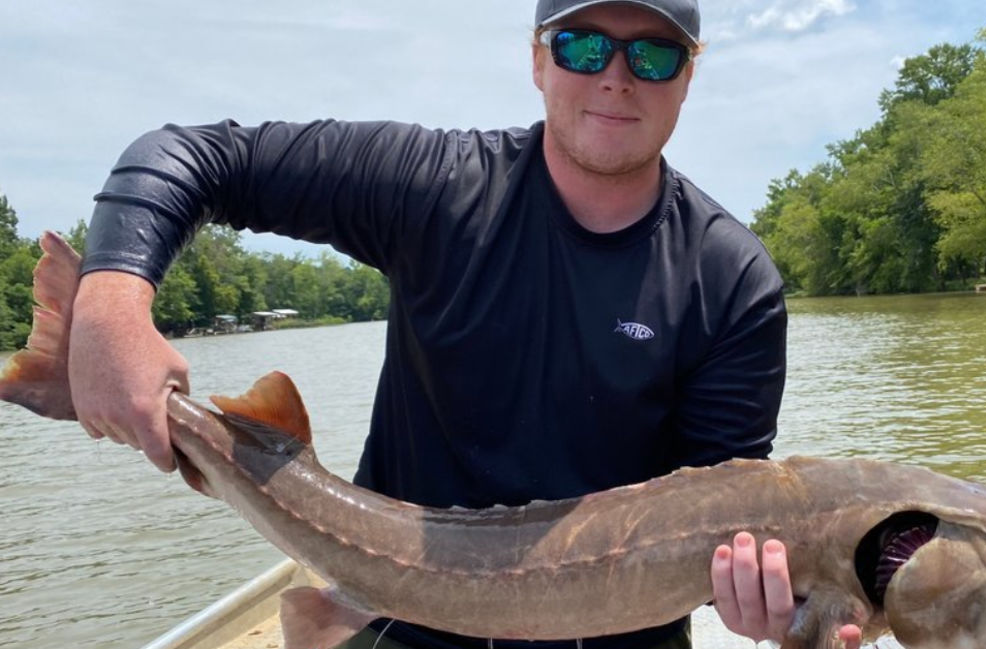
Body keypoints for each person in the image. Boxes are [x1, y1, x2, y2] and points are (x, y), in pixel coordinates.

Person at [68, 1, 862, 648]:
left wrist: (772, 609)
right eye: (584, 46)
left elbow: (717, 517)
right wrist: (110, 300)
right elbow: (193, 155)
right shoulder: (435, 188)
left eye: (652, 55)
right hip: (396, 621)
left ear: (689, 75)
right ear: (538, 58)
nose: (616, 78)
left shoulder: (731, 281)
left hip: (624, 641)